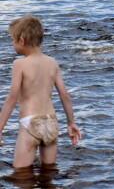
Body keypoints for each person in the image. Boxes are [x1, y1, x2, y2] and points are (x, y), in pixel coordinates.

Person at [0, 15, 82, 168]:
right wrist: (71, 122)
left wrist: (0, 128)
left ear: (22, 40)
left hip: (30, 122)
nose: (11, 43)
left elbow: (12, 98)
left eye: (12, 39)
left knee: (21, 173)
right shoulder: (52, 62)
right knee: (48, 172)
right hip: (51, 122)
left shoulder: (19, 64)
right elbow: (64, 95)